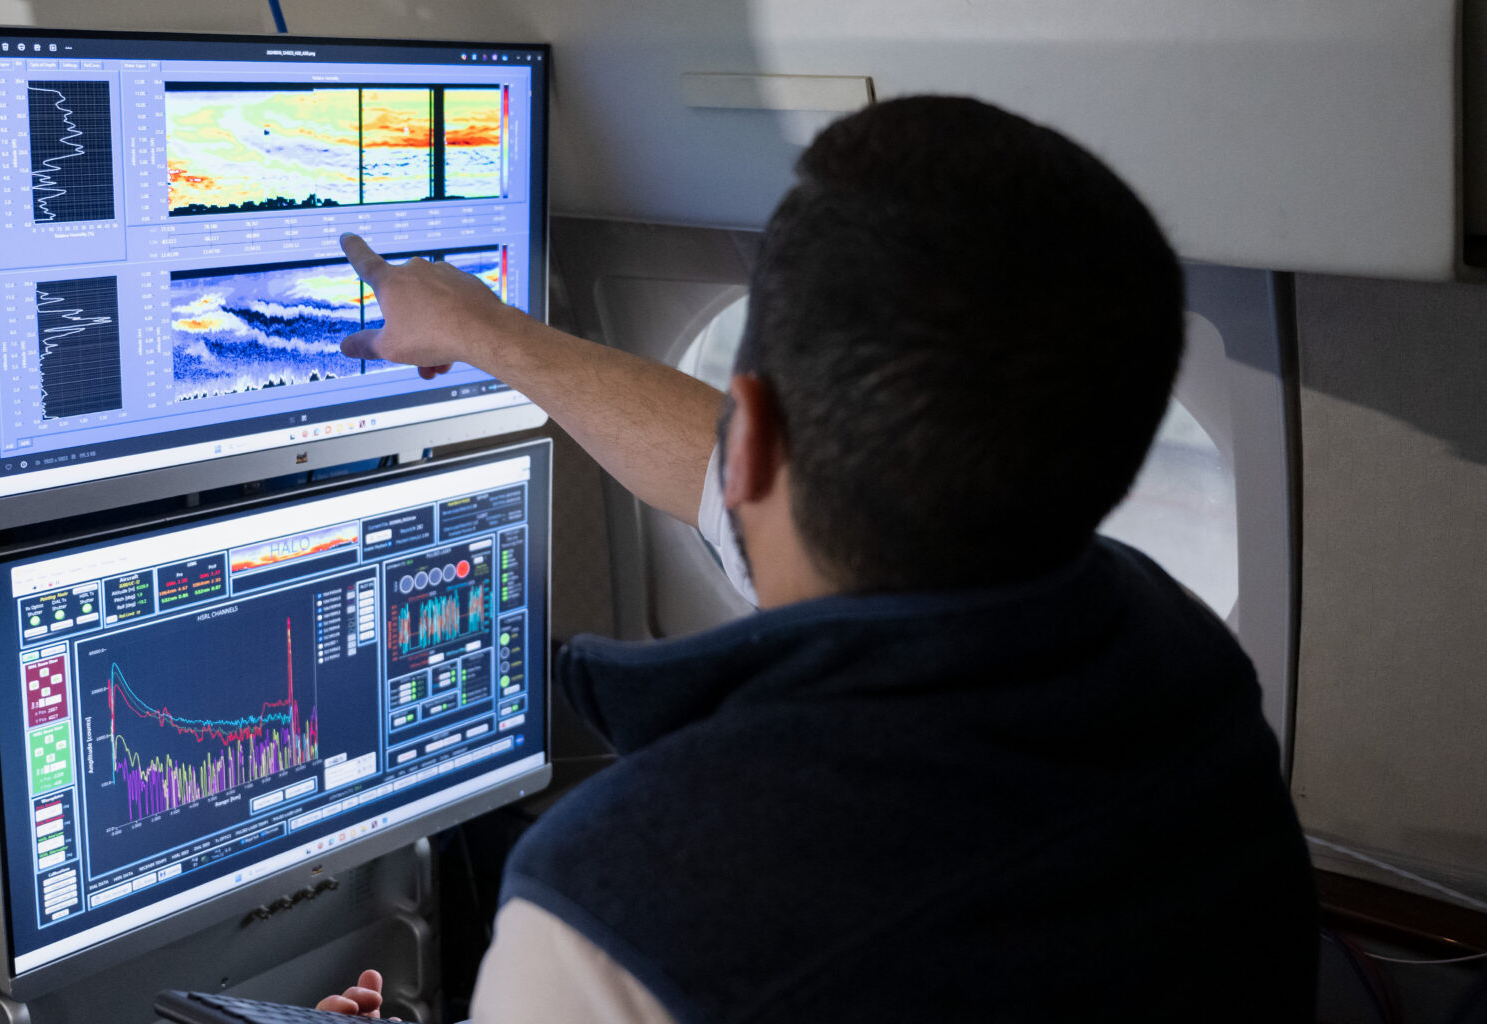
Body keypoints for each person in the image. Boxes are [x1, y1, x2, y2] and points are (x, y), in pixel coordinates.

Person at [316, 96, 1316, 1022]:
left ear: (749, 437)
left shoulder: (615, 906)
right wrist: (487, 334)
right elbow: (725, 468)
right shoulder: (1180, 657)